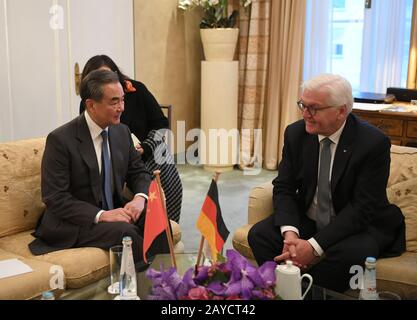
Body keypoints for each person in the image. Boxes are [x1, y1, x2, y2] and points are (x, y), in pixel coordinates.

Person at [248, 74, 405, 292]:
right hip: (311, 219)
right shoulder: (296, 133)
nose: (305, 114)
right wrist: (291, 234)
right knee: (259, 235)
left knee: (351, 255)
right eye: (303, 105)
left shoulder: (372, 143)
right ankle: (286, 291)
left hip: (357, 225)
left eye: (314, 108)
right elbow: (284, 187)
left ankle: (302, 293)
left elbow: (362, 208)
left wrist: (313, 247)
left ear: (341, 110)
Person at [29, 69, 170, 266]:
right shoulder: (60, 140)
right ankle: (140, 290)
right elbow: (55, 198)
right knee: (126, 233)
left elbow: (138, 172)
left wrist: (140, 198)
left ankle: (167, 285)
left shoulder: (121, 132)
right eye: (114, 102)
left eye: (122, 100)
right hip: (77, 221)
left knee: (156, 216)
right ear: (91, 105)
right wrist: (102, 215)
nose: (121, 107)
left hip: (113, 210)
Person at [79, 55, 182, 223]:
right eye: (96, 78)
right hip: (116, 160)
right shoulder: (89, 104)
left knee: (168, 190)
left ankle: (168, 229)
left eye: (107, 75)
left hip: (150, 152)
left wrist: (146, 146)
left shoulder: (137, 90)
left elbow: (162, 124)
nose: (103, 81)